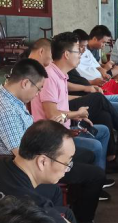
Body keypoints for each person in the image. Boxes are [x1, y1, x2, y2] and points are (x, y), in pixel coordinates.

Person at [0, 58, 106, 223]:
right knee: (96, 175)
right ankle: (83, 220)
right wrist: (54, 157)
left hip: (39, 151)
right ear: (25, 83)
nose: (37, 94)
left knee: (88, 155)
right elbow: (22, 156)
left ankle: (76, 205)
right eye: (38, 88)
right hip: (32, 167)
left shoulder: (8, 97)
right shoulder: (6, 111)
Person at [31, 32, 113, 173]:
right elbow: (53, 115)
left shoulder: (60, 74)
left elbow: (60, 107)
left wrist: (75, 117)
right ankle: (96, 177)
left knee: (104, 130)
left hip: (64, 129)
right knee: (95, 146)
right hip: (52, 136)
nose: (80, 54)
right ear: (67, 54)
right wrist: (76, 113)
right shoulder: (50, 77)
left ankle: (100, 173)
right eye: (77, 51)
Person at [67, 29, 118, 166]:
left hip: (89, 92)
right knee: (106, 101)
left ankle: (113, 156)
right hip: (83, 98)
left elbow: (68, 88)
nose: (82, 51)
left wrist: (97, 79)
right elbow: (57, 104)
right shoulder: (58, 70)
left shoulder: (70, 65)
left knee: (105, 115)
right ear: (66, 53)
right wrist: (89, 87)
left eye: (82, 47)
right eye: (79, 48)